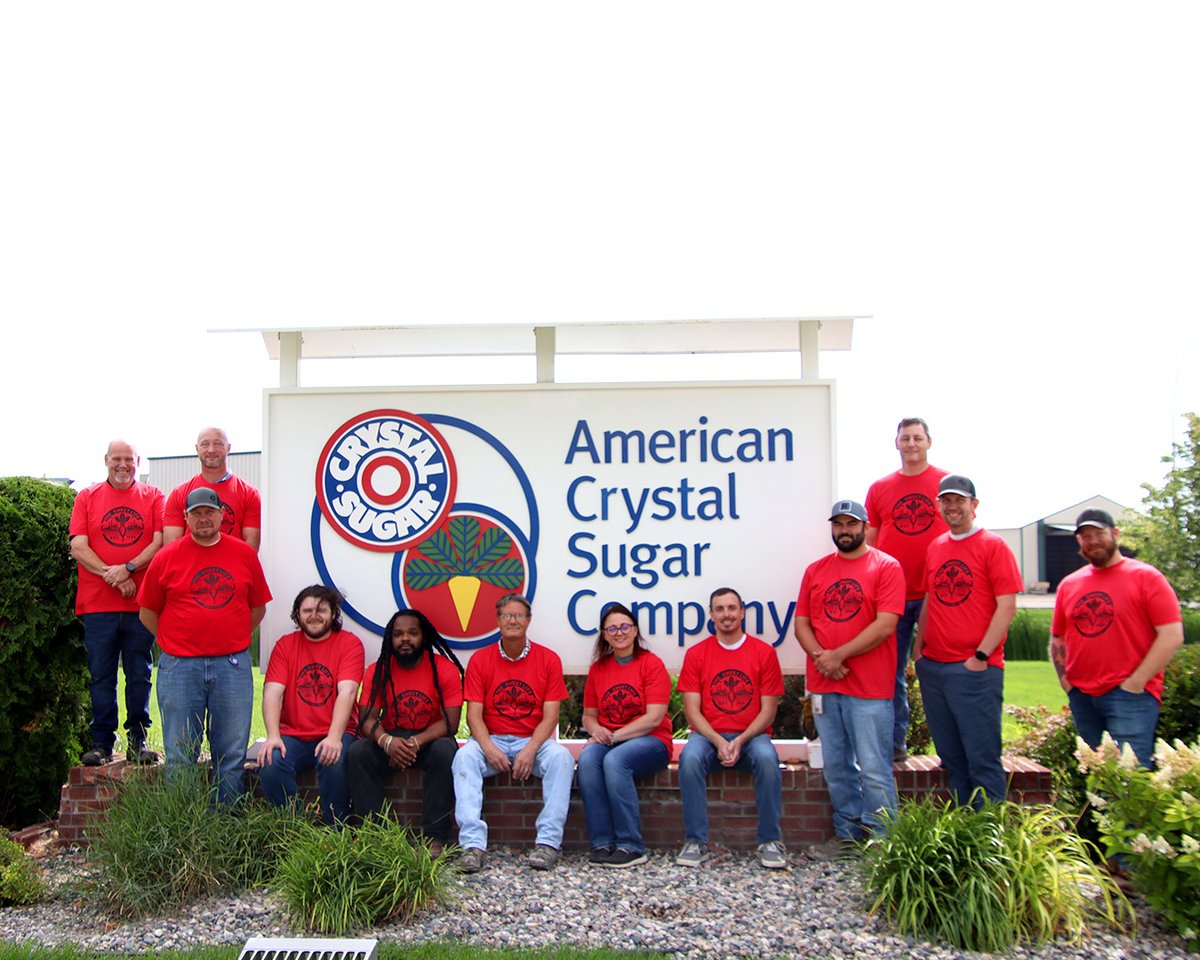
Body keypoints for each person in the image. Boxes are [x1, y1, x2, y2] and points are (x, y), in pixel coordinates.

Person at [138, 487, 272, 804]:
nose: (203, 519)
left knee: (231, 751)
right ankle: (183, 824)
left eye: (209, 512)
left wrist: (231, 637)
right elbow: (147, 612)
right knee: (180, 751)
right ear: (185, 518)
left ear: (222, 515)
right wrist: (176, 642)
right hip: (180, 667)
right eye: (195, 514)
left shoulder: (243, 555)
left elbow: (258, 608)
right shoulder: (166, 557)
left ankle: (225, 822)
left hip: (232, 665)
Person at [795, 500, 906, 859]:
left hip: (869, 688)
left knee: (874, 769)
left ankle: (884, 844)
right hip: (826, 685)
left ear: (864, 526)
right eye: (839, 524)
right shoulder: (816, 571)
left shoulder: (886, 567)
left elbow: (886, 624)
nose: (844, 530)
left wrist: (838, 656)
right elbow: (802, 624)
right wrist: (821, 659)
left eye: (851, 524)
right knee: (837, 767)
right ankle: (848, 837)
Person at [912, 475, 1021, 807]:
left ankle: (987, 841)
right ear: (938, 506)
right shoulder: (936, 546)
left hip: (974, 669)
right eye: (946, 500)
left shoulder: (993, 546)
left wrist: (981, 655)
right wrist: (920, 652)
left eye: (959, 500)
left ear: (974, 505)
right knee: (951, 757)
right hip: (935, 667)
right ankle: (964, 833)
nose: (952, 506)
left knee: (982, 757)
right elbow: (931, 598)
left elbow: (1007, 606)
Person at [1049, 509, 1183, 768]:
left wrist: (1136, 682)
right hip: (1082, 696)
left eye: (1099, 534)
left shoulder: (1147, 577)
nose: (1093, 541)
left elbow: (1172, 635)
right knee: (1099, 777)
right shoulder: (1069, 584)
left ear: (1115, 534)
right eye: (1085, 536)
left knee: (1130, 777)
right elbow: (1058, 638)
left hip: (1130, 696)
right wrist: (1067, 683)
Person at [452, 593, 572, 873]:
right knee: (464, 760)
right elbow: (474, 716)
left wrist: (530, 749)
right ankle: (472, 847)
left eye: (519, 615)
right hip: (491, 738)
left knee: (562, 759)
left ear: (528, 620)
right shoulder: (481, 660)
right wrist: (489, 748)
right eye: (507, 616)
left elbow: (551, 716)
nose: (513, 621)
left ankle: (548, 844)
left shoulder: (549, 659)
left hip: (533, 740)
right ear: (498, 621)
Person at [676, 587, 786, 869]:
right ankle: (695, 841)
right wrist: (717, 740)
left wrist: (739, 740)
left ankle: (770, 841)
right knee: (689, 760)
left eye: (732, 608)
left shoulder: (763, 653)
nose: (726, 614)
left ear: (742, 612)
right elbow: (692, 710)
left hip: (753, 735)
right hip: (707, 735)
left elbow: (768, 711)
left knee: (767, 759)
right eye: (720, 609)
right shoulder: (697, 654)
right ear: (711, 615)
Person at [69, 439, 165, 766]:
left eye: (129, 460)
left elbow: (160, 541)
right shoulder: (87, 497)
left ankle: (138, 741)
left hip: (140, 605)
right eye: (117, 459)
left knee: (140, 673)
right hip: (98, 606)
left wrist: (128, 569)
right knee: (101, 675)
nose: (123, 465)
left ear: (137, 462)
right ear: (106, 460)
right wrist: (112, 575)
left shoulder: (153, 497)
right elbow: (79, 547)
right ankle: (101, 743)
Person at [346, 608, 465, 854]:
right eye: (398, 634)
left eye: (412, 633)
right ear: (391, 638)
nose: (405, 639)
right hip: (390, 737)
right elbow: (366, 719)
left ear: (424, 637)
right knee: (357, 753)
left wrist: (416, 742)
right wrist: (386, 741)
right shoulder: (378, 669)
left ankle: (434, 838)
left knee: (446, 750)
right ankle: (377, 836)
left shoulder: (444, 669)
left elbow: (450, 723)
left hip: (429, 739)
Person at [865, 417, 949, 761]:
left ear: (929, 442)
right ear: (896, 444)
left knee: (940, 671)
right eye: (905, 438)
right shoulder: (880, 489)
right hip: (892, 595)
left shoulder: (946, 483)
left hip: (936, 594)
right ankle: (894, 744)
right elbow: (869, 541)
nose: (911, 443)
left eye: (917, 437)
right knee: (890, 673)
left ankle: (948, 747)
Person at [257, 585, 365, 824]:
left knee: (333, 761)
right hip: (294, 735)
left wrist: (334, 737)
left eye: (321, 610)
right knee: (271, 762)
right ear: (297, 615)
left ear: (334, 613)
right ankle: (293, 827)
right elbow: (272, 692)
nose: (314, 615)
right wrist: (273, 735)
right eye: (307, 610)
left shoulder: (349, 644)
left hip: (336, 732)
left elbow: (347, 693)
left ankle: (336, 830)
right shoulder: (285, 645)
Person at [577, 603, 673, 868]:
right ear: (604, 635)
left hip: (652, 741)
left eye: (624, 627)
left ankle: (630, 845)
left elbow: (654, 717)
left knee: (615, 760)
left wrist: (615, 736)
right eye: (612, 629)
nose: (619, 633)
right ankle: (601, 843)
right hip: (611, 740)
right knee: (587, 760)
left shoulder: (651, 664)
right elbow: (588, 715)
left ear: (635, 631)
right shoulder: (599, 669)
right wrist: (596, 730)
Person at [163, 427, 261, 550]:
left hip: (230, 568)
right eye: (205, 444)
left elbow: (251, 546)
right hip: (191, 568)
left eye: (218, 444)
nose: (211, 450)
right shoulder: (178, 494)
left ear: (228, 448)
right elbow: (171, 546)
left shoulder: (250, 494)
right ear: (197, 449)